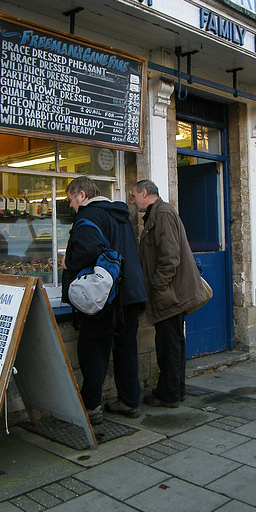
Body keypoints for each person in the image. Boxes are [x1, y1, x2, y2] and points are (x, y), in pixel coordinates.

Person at [61, 176, 147, 424]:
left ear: (82, 195)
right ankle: (129, 402)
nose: (71, 206)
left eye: (71, 199)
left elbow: (88, 250)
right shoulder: (119, 215)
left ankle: (91, 406)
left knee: (93, 350)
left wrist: (68, 262)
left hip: (104, 298)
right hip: (130, 294)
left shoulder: (87, 216)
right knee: (126, 349)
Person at [131, 179, 209, 408]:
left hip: (168, 295)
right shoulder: (159, 213)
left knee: (168, 346)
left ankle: (168, 394)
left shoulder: (162, 214)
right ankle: (176, 390)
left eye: (134, 195)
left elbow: (170, 256)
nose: (133, 200)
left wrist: (158, 286)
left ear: (144, 193)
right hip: (170, 294)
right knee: (173, 344)